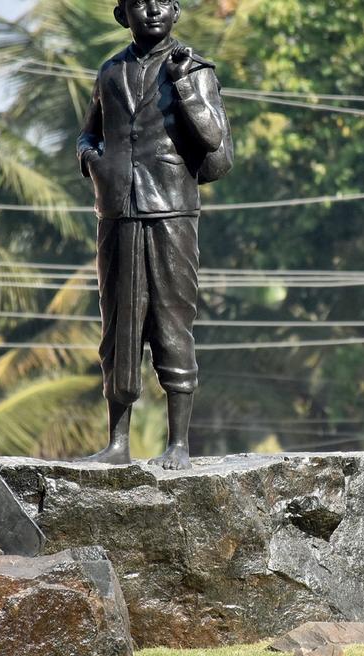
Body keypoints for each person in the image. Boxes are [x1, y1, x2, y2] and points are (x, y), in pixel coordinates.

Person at [77, 0, 232, 470]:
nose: (151, 11)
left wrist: (184, 84)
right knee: (120, 326)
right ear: (123, 13)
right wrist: (90, 158)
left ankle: (179, 442)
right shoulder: (109, 72)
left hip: (170, 210)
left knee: (171, 319)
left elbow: (211, 138)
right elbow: (88, 132)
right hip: (117, 210)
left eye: (162, 1)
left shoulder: (194, 69)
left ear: (176, 10)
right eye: (139, 2)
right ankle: (117, 441)